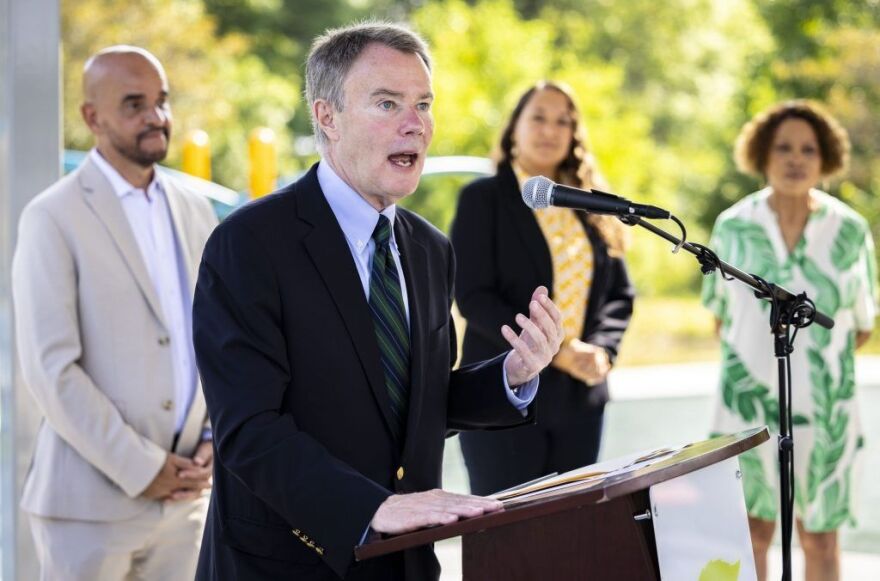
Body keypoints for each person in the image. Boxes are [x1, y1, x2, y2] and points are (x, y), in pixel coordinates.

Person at [192, 22, 564, 581]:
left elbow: (419, 404)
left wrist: (511, 375)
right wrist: (370, 508)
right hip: (288, 564)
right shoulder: (248, 244)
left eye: (423, 104)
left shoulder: (430, 250)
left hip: (405, 565)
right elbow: (249, 430)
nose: (415, 124)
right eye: (387, 103)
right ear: (327, 117)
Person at [12, 46, 218, 579]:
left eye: (161, 101)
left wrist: (214, 438)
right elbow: (50, 369)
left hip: (188, 505)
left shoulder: (196, 209)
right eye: (134, 104)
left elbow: (220, 338)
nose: (156, 117)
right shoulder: (50, 217)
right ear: (91, 117)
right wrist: (144, 468)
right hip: (87, 509)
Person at [702, 100, 877, 581]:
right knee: (753, 532)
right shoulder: (732, 226)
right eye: (783, 148)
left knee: (820, 538)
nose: (795, 158)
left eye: (808, 149)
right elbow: (720, 319)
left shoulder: (851, 231)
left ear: (826, 159)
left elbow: (861, 325)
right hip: (748, 410)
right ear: (762, 154)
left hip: (829, 416)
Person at [450, 81, 634, 495]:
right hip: (503, 396)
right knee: (509, 538)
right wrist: (557, 351)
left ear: (574, 135)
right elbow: (474, 296)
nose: (550, 130)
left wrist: (602, 350)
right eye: (538, 117)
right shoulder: (483, 199)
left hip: (579, 398)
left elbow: (620, 295)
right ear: (514, 127)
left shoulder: (590, 205)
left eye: (562, 121)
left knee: (572, 538)